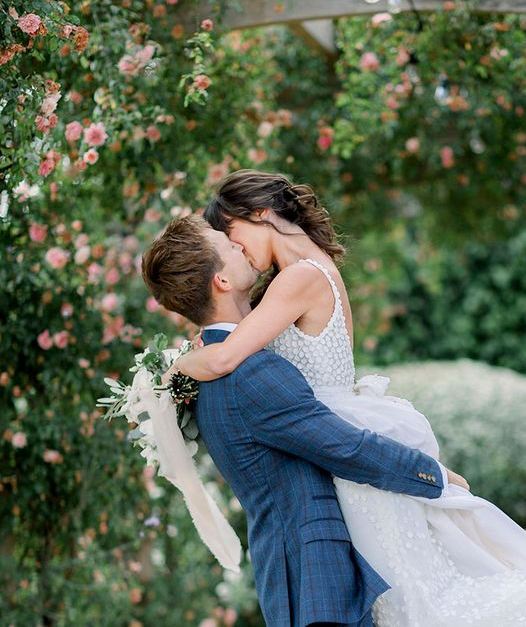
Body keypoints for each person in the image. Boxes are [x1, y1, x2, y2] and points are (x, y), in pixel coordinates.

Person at [170, 170, 526, 626]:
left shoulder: (299, 277)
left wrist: (173, 367)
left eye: (234, 237)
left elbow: (224, 357)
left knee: (416, 602)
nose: (240, 253)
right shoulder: (304, 275)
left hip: (339, 441)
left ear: (260, 214)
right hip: (333, 440)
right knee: (407, 598)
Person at [141, 214, 459, 627]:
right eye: (228, 245)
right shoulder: (250, 373)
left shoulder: (210, 369)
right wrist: (433, 474)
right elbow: (346, 447)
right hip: (315, 574)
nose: (239, 245)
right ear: (221, 281)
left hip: (293, 571)